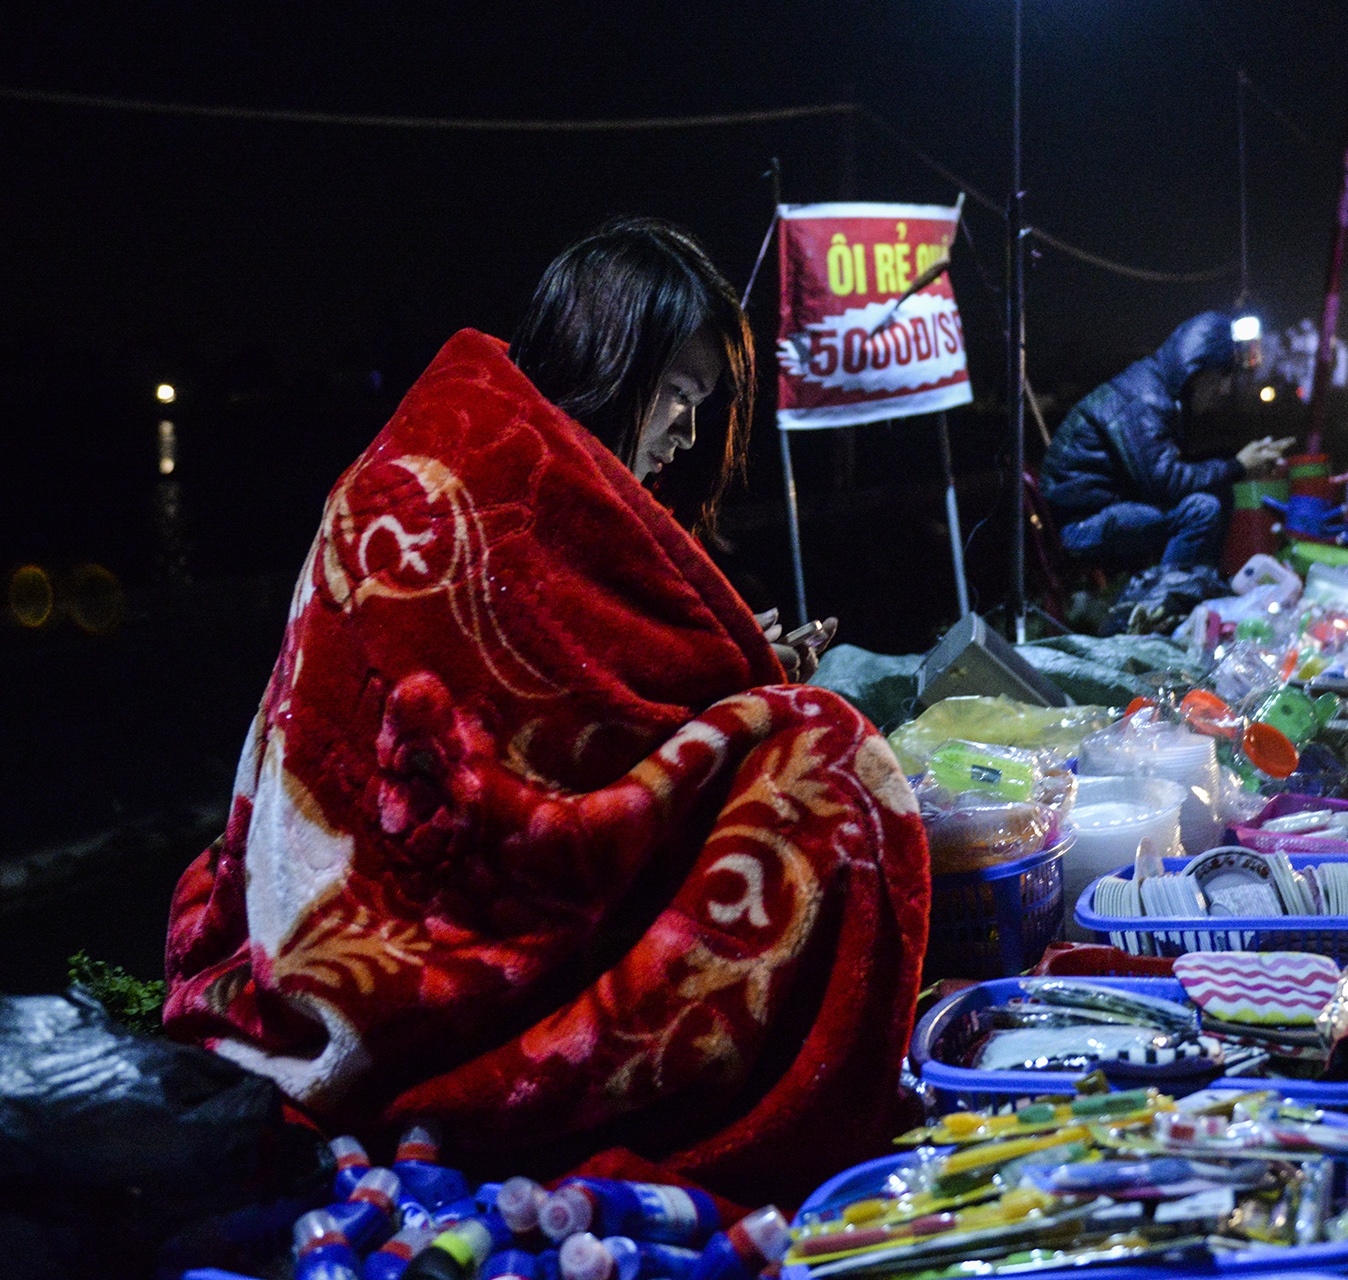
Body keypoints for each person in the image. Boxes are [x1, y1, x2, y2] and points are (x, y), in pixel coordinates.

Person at [162, 218, 930, 1206]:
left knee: (791, 728)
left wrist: (734, 688)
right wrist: (746, 704)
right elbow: (535, 778)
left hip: (351, 935)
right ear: (612, 364)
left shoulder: (484, 447)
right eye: (679, 396)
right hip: (404, 960)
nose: (687, 433)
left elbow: (584, 712)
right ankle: (754, 1117)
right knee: (828, 761)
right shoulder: (486, 488)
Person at [1040, 312, 1288, 571]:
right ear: (1195, 370)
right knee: (1201, 509)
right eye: (1221, 374)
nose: (1225, 389)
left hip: (1101, 510)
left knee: (1210, 494)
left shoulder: (1159, 392)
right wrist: (1236, 466)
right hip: (1079, 525)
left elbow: (1164, 469)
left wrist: (1239, 462)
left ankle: (1190, 586)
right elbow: (1163, 483)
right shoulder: (1144, 399)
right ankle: (1161, 598)